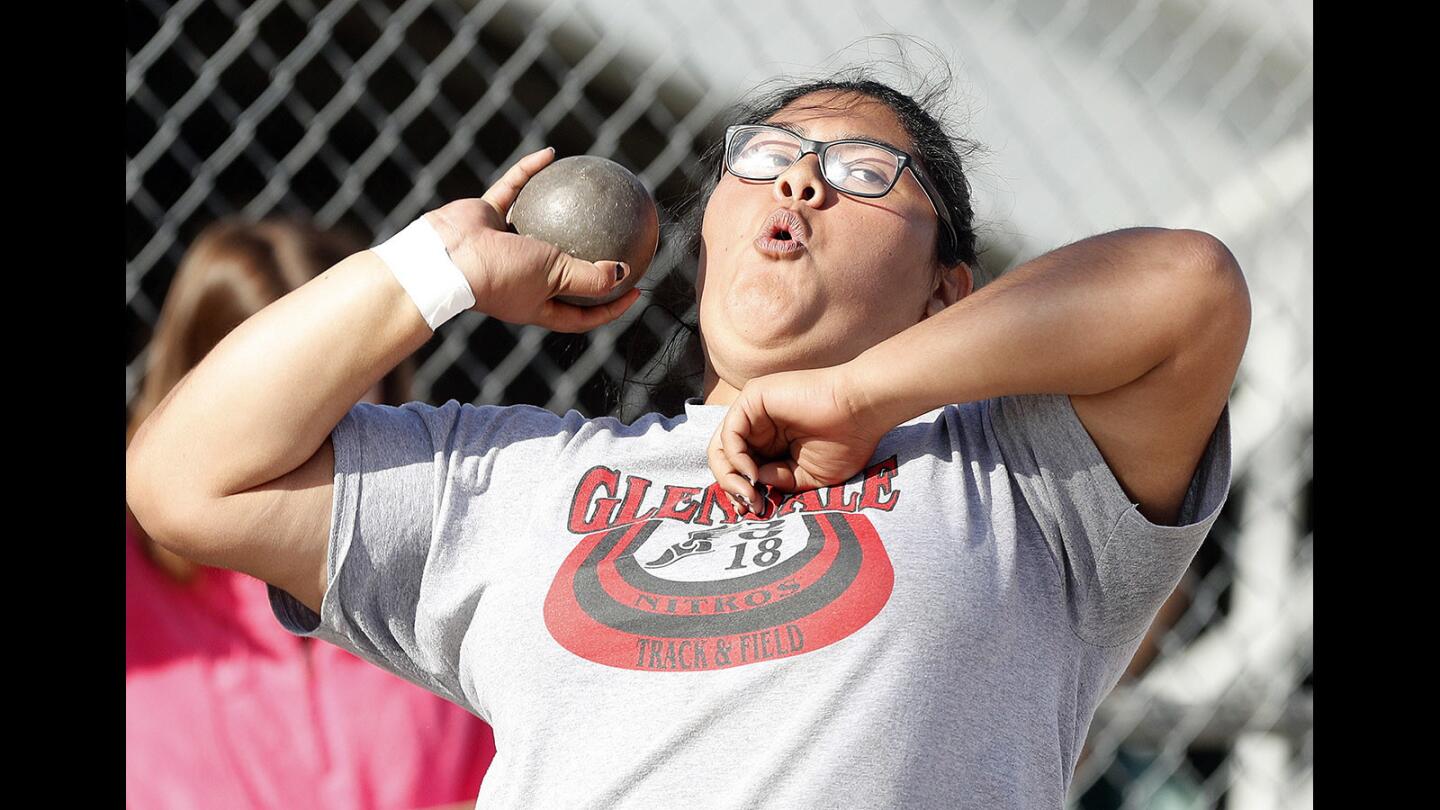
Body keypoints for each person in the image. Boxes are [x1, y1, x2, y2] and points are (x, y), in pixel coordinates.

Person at [126, 68, 1249, 808]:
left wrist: (859, 397)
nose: (802, 178)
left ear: (945, 293)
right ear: (705, 235)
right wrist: (440, 268)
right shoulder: (519, 486)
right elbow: (184, 479)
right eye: (764, 155)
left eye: (866, 176)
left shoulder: (1020, 484)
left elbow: (1184, 289)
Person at [125, 218, 494, 809]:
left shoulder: (463, 547)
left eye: (344, 409)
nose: (303, 449)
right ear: (188, 393)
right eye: (274, 419)